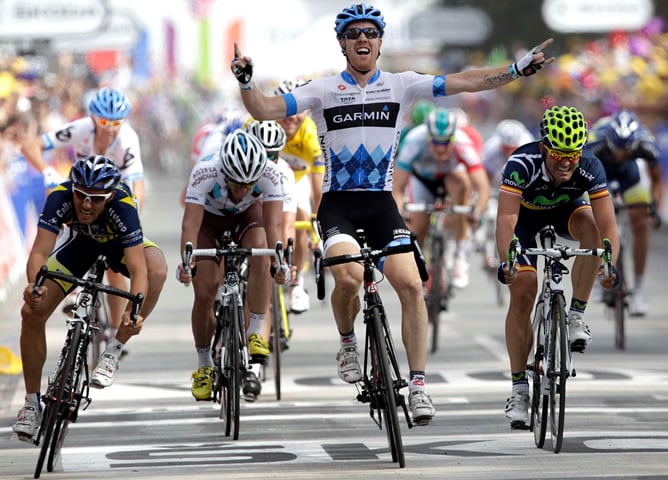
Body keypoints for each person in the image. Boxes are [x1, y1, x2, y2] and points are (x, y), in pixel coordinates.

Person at [231, 2, 554, 426]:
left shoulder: (403, 85)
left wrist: (515, 70)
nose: (362, 39)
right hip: (339, 206)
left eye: (370, 33)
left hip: (381, 205)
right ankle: (348, 341)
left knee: (411, 285)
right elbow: (265, 109)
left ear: (380, 42)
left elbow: (464, 81)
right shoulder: (323, 90)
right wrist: (247, 81)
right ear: (343, 44)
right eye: (354, 34)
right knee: (346, 277)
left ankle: (418, 385)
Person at [12, 155, 167, 442]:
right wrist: (35, 285)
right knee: (30, 312)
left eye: (96, 199)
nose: (86, 204)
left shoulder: (123, 204)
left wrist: (134, 310)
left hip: (118, 248)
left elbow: (138, 269)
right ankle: (32, 403)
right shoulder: (60, 197)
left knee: (157, 268)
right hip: (79, 248)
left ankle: (114, 349)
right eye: (81, 195)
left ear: (109, 197)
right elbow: (39, 252)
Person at [495, 106, 619, 430]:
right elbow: (506, 219)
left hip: (566, 212)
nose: (566, 162)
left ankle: (576, 314)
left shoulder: (590, 165)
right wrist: (507, 261)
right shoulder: (521, 165)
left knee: (592, 229)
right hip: (523, 221)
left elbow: (608, 224)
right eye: (557, 154)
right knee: (523, 291)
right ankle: (519, 388)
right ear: (543, 148)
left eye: (572, 155)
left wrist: (611, 265)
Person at [21, 87, 146, 355]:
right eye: (103, 122)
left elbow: (138, 185)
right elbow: (30, 146)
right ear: (92, 118)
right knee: (67, 236)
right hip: (82, 200)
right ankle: (73, 290)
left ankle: (114, 330)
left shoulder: (127, 139)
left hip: (113, 203)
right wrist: (47, 171)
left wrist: (133, 214)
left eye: (116, 122)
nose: (110, 128)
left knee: (114, 269)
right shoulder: (79, 129)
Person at [176, 129, 287, 403]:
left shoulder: (271, 174)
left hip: (248, 218)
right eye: (236, 183)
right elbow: (190, 226)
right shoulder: (205, 172)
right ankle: (204, 363)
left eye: (248, 185)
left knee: (262, 253)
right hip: (209, 222)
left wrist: (281, 262)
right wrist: (186, 263)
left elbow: (274, 226)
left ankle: (255, 332)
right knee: (205, 292)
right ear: (224, 172)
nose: (241, 190)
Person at [392, 107, 491, 289]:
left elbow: (482, 186)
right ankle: (420, 268)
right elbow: (397, 187)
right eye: (436, 141)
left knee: (462, 186)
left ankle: (460, 256)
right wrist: (400, 213)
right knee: (417, 226)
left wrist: (476, 211)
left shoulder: (463, 142)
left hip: (450, 177)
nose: (440, 147)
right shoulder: (414, 140)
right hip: (422, 179)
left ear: (454, 137)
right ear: (427, 136)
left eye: (446, 142)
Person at [586, 110, 663, 316]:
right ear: (609, 141)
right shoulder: (594, 143)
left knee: (640, 223)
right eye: (616, 150)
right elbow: (580, 179)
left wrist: (654, 208)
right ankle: (596, 277)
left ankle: (637, 289)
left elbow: (656, 182)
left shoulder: (646, 144)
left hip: (631, 176)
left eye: (626, 151)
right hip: (599, 174)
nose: (621, 155)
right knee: (593, 222)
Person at [273, 79, 325, 314]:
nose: (290, 117)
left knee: (303, 219)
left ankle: (296, 283)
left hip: (298, 179)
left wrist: (318, 219)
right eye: (285, 110)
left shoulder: (310, 134)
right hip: (269, 178)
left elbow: (317, 185)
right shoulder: (260, 124)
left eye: (297, 112)